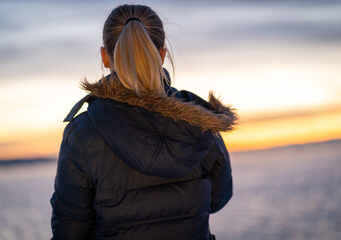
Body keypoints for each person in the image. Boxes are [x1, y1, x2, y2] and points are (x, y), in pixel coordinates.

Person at [50, 4, 237, 240]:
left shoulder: (82, 133)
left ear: (105, 57)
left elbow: (70, 227)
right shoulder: (201, 120)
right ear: (161, 55)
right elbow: (218, 198)